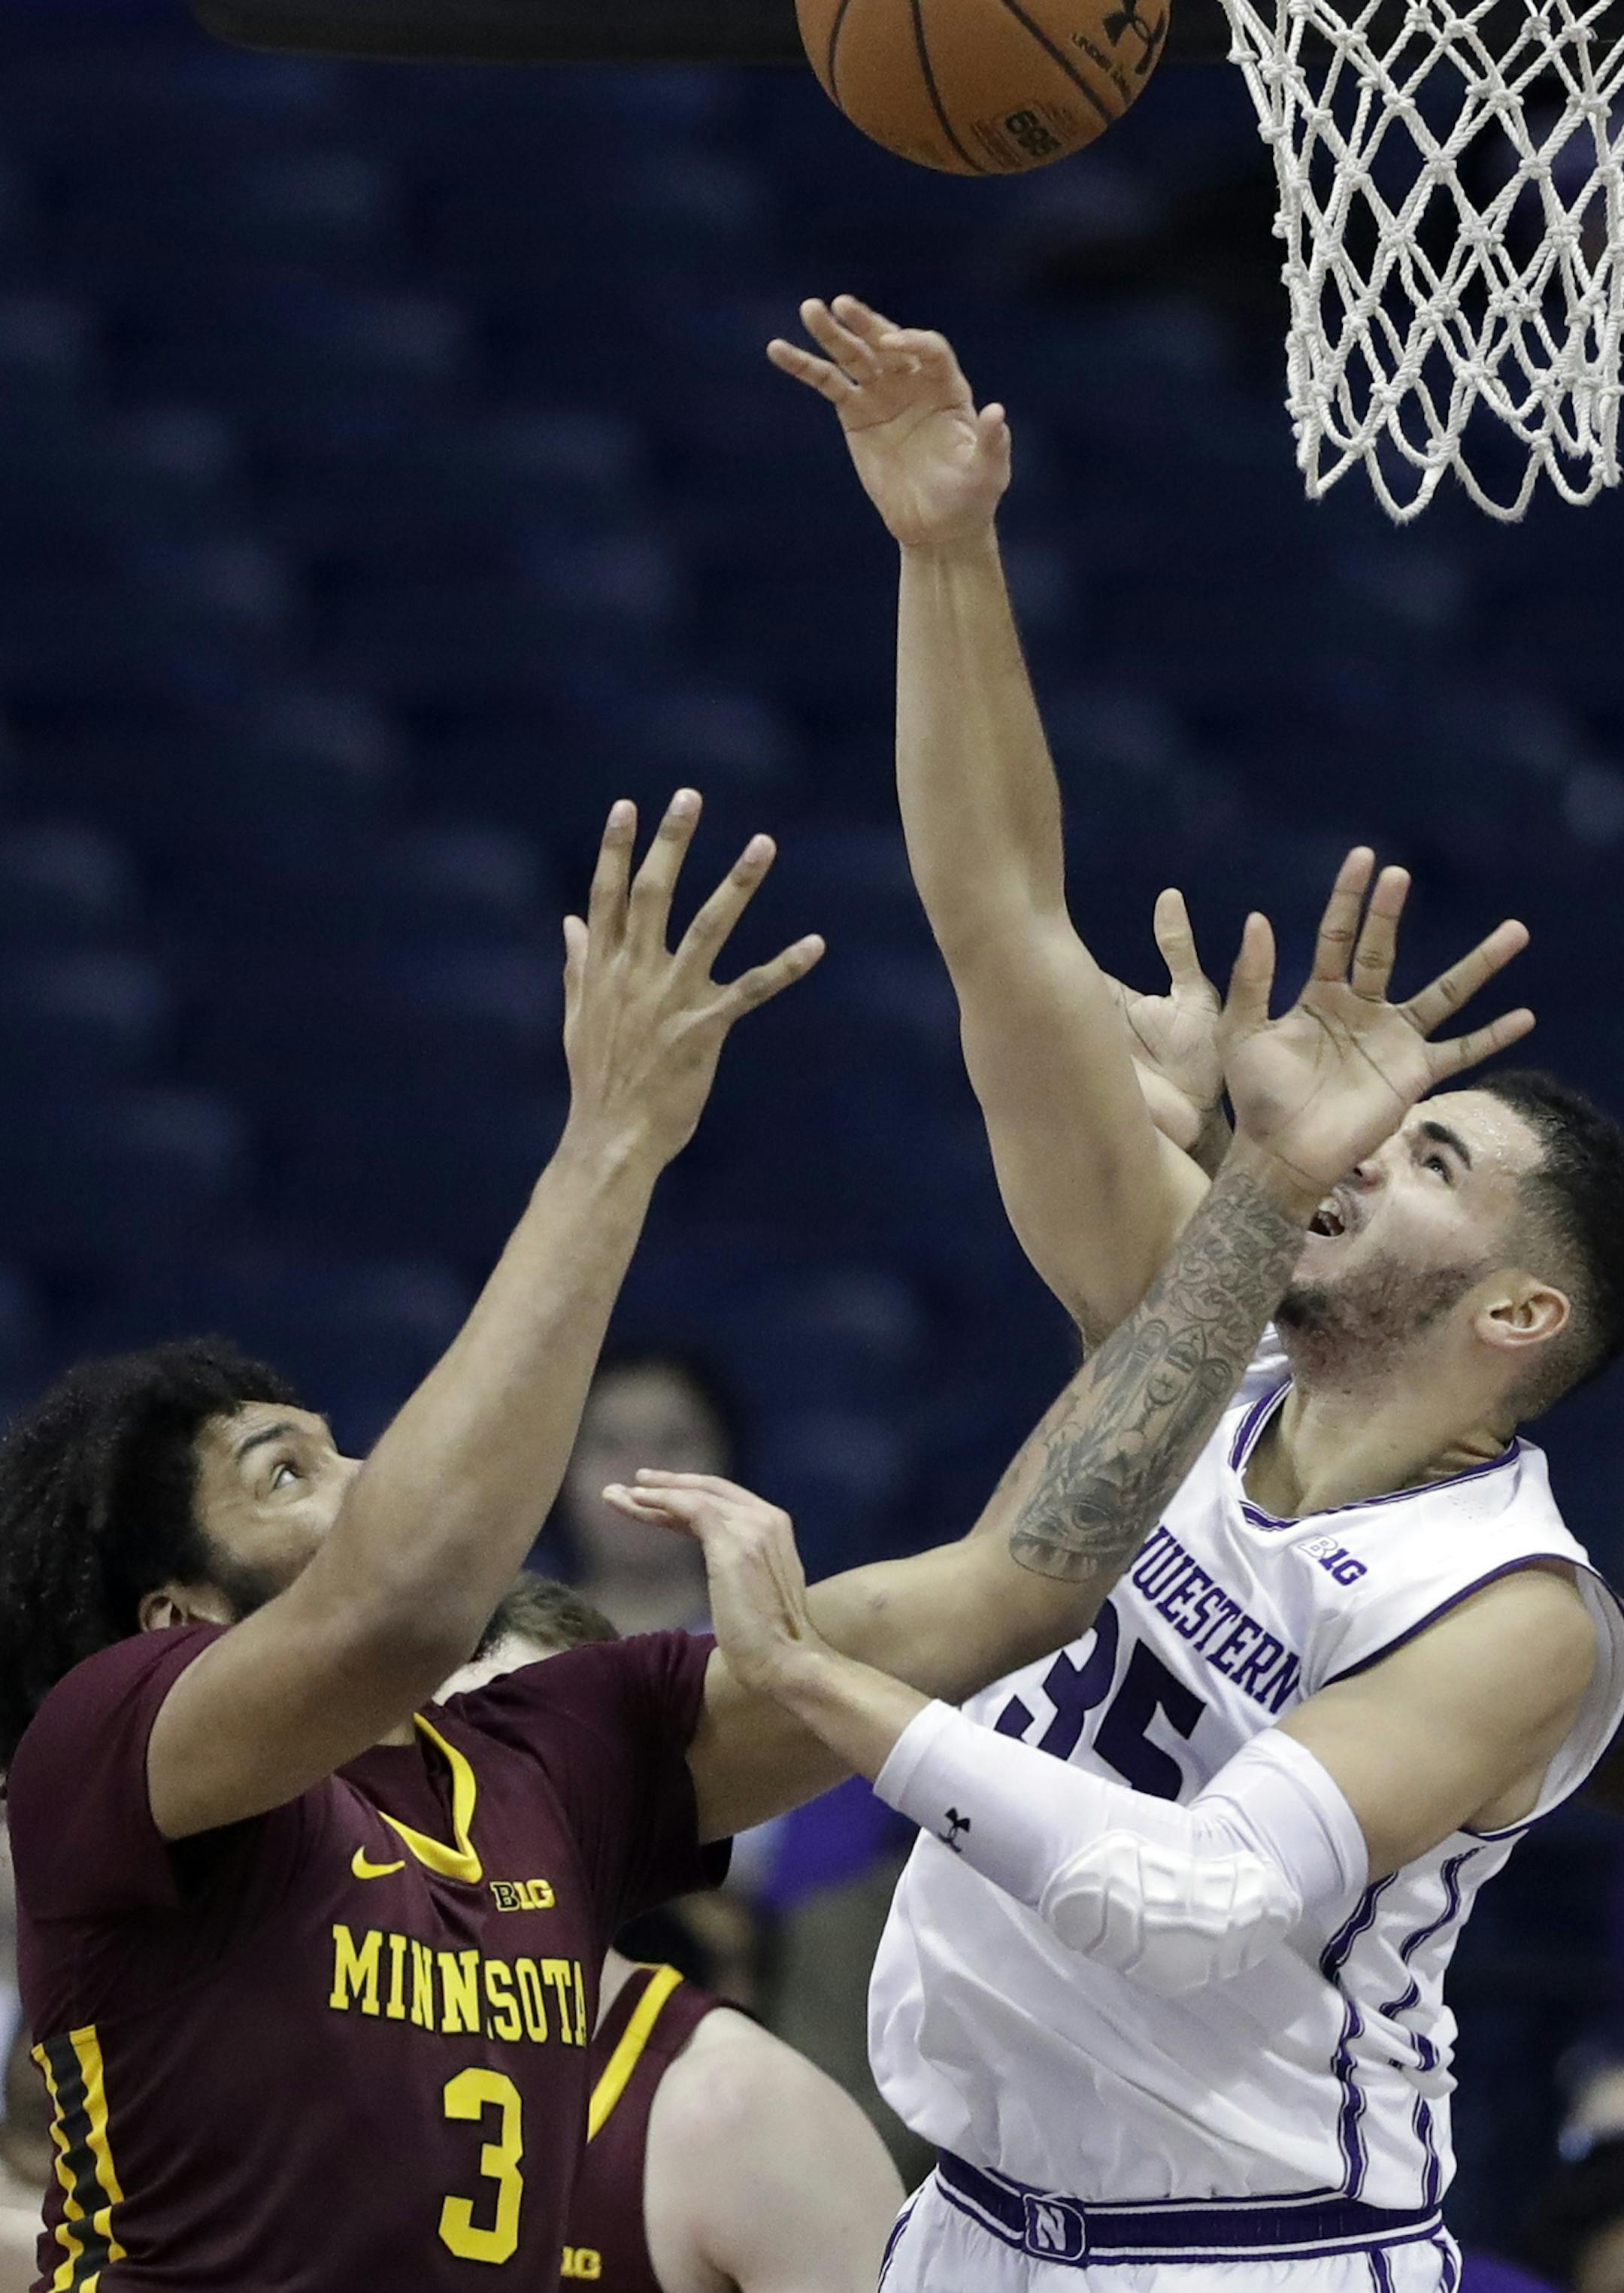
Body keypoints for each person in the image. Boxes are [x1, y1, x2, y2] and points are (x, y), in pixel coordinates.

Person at [0, 789, 1398, 2291]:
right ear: (174, 1620)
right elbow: (397, 1602)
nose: (366, 1473)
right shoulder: (104, 1756)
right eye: (286, 1475)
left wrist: (1258, 1199)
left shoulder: (539, 1757)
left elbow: (1020, 1581)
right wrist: (610, 1140)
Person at [769, 299, 1624, 2289]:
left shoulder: (1514, 1616)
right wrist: (947, 554)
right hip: (968, 2222)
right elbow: (1000, 931)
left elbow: (1191, 1903)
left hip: (1264, 2254)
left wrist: (842, 1699)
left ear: (1516, 1318)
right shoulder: (1201, 1330)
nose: (1349, 1155)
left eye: (1430, 1160)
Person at [446, 1573, 907, 2293]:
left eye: (527, 1761)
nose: (476, 1804)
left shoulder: (748, 2113)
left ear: (628, 1800)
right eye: (435, 1757)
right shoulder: (300, 2059)